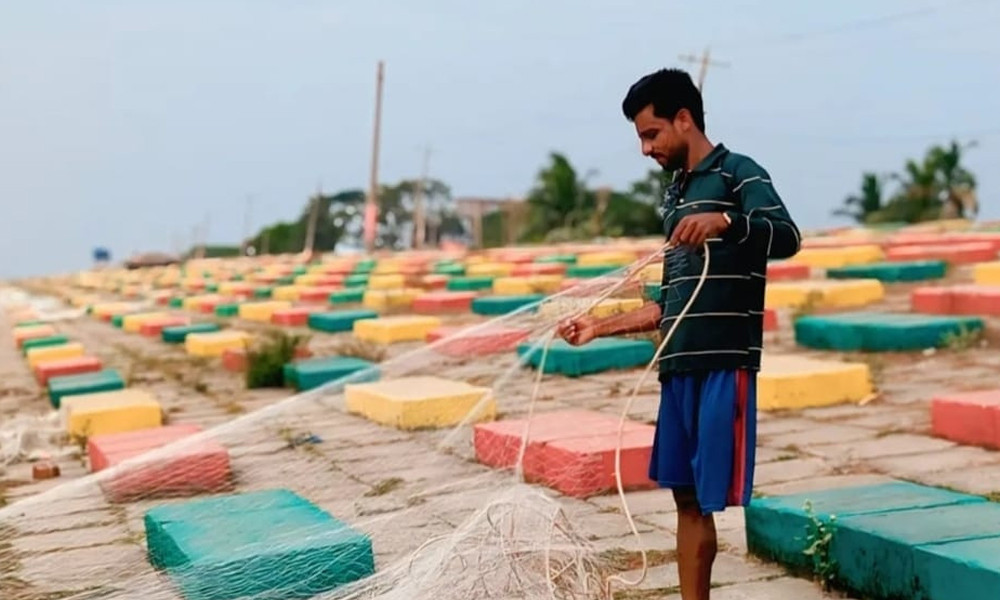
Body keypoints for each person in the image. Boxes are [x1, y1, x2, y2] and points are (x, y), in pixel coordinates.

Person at [557, 68, 801, 600]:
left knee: (707, 498)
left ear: (684, 119)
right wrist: (598, 326)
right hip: (678, 365)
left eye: (652, 134)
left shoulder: (739, 173)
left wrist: (726, 223)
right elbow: (671, 300)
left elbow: (787, 236)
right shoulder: (675, 196)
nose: (646, 149)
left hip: (722, 363)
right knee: (684, 501)